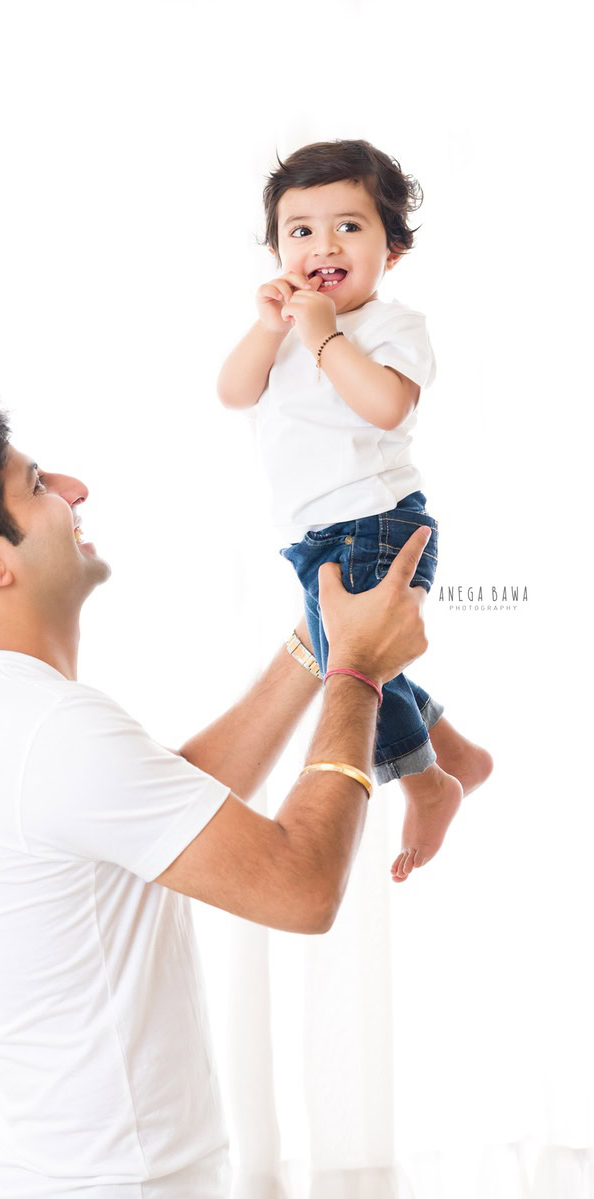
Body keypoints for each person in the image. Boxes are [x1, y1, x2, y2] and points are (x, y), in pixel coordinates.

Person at [0, 395, 432, 1199]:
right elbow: (302, 884)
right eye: (37, 483)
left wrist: (316, 639)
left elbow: (165, 810)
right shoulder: (52, 731)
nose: (75, 489)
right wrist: (354, 671)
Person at [217, 138, 493, 883]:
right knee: (361, 659)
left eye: (349, 226)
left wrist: (327, 336)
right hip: (318, 535)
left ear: (392, 250)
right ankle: (453, 755)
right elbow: (234, 392)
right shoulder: (286, 331)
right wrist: (275, 326)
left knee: (354, 664)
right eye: (300, 230)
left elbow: (384, 405)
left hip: (379, 523)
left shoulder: (390, 328)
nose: (323, 245)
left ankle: (427, 783)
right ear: (277, 251)